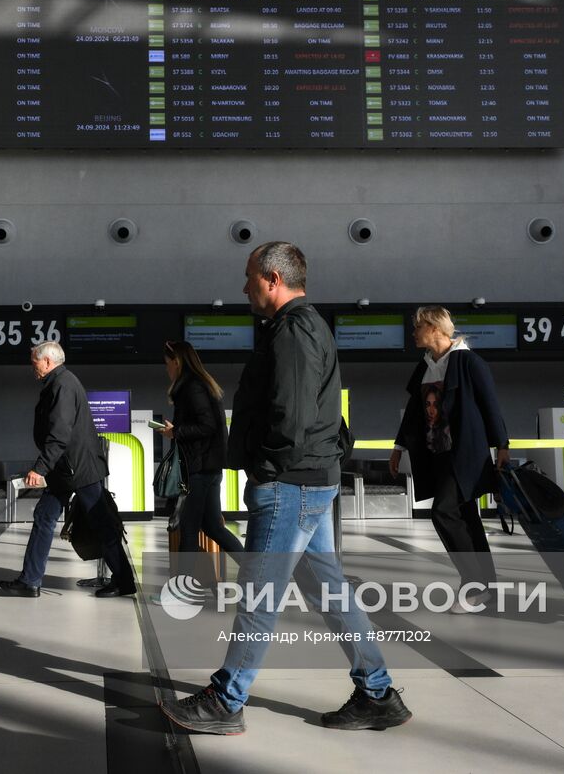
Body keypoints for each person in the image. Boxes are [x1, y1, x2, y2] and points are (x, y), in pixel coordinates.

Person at [161, 241, 409, 735]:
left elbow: (290, 417)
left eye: (250, 277)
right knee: (330, 590)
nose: (244, 287)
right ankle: (377, 693)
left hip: (289, 484)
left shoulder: (293, 332)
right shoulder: (304, 327)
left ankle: (226, 700)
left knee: (259, 595)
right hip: (308, 480)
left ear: (273, 279)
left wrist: (267, 470)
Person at [388, 306, 509, 613]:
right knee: (467, 517)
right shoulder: (426, 365)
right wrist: (398, 447)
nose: (413, 333)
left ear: (434, 328)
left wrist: (502, 446)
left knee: (443, 512)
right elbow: (414, 410)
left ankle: (475, 586)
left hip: (465, 453)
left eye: (418, 327)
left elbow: (490, 405)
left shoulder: (468, 362)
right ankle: (488, 588)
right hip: (437, 453)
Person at [0, 341, 136, 598]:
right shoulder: (59, 382)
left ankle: (124, 581)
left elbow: (60, 433)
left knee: (101, 522)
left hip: (76, 468)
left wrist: (40, 468)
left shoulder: (62, 384)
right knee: (45, 516)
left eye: (34, 362)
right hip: (67, 468)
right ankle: (30, 581)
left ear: (47, 361)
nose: (32, 367)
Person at [158, 340, 243, 588]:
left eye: (167, 364)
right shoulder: (200, 384)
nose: (167, 369)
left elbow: (207, 426)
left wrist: (176, 432)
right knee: (212, 527)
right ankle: (255, 569)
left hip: (200, 468)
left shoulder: (191, 387)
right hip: (208, 467)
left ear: (177, 362)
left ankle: (180, 591)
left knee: (189, 528)